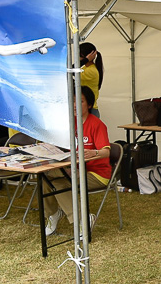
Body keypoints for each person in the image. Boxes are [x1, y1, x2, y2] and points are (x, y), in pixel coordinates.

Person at [44, 86, 111, 236]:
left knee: (58, 183)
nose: (75, 105)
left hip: (96, 174)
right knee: (45, 178)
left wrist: (93, 153)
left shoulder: (97, 124)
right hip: (73, 169)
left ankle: (82, 220)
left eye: (79, 101)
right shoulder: (68, 124)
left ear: (89, 105)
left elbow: (106, 152)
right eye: (72, 101)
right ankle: (53, 215)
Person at [79, 42, 104, 117]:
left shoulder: (91, 71)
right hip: (86, 109)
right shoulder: (85, 68)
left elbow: (71, 69)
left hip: (90, 110)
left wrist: (86, 59)